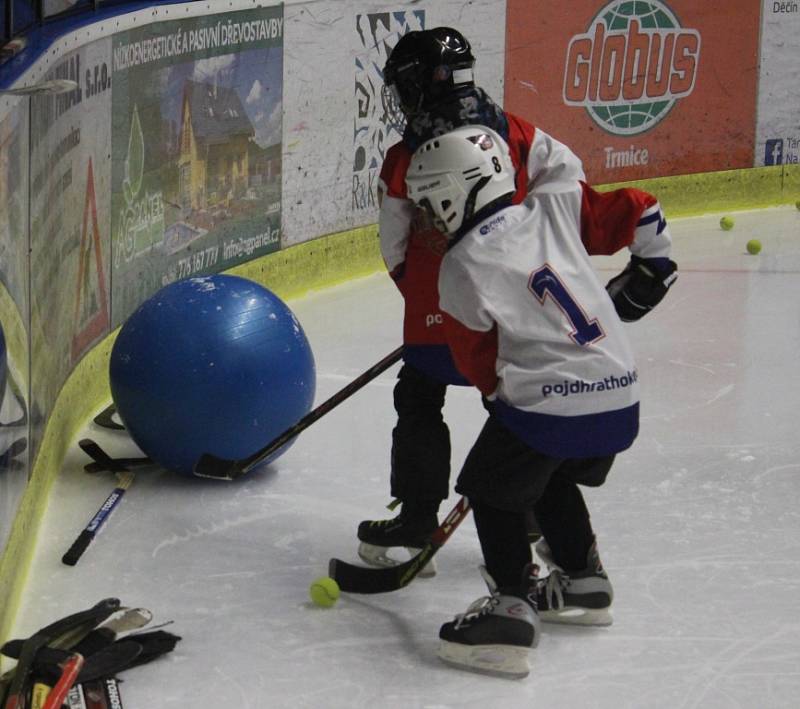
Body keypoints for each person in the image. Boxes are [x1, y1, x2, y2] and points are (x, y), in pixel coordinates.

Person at [403, 124, 677, 678]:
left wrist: (503, 401)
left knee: (491, 487)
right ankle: (583, 581)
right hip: (621, 397)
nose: (428, 219)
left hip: (554, 403)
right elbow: (624, 197)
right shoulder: (552, 207)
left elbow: (478, 365)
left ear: (455, 194)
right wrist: (657, 263)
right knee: (546, 471)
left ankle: (510, 609)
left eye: (430, 204)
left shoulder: (459, 267)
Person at [358, 26, 578, 573]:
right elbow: (567, 173)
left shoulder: (406, 156)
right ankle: (525, 512)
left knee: (419, 399)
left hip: (437, 310)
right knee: (510, 408)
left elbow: (394, 244)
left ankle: (416, 517)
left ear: (421, 82)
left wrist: (423, 302)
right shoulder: (515, 132)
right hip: (510, 308)